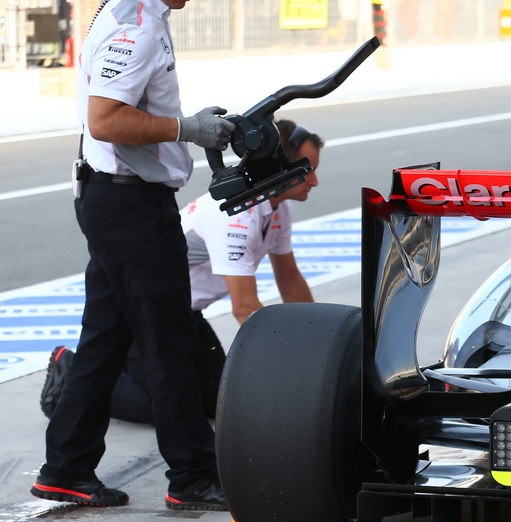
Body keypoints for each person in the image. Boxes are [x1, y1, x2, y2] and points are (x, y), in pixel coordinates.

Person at [32, 0, 234, 512]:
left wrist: (184, 123)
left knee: (105, 340)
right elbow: (105, 119)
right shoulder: (137, 25)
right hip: (131, 205)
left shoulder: (128, 12)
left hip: (114, 198)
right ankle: (191, 476)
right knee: (168, 341)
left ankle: (66, 468)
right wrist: (186, 129)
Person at [42, 119, 324, 425]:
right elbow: (245, 308)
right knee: (165, 406)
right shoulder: (237, 216)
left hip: (183, 311)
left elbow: (290, 279)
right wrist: (293, 366)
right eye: (307, 170)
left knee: (214, 402)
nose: (314, 181)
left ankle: (125, 364)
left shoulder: (277, 207)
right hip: (143, 312)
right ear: (276, 168)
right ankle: (69, 369)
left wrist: (317, 344)